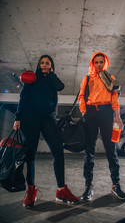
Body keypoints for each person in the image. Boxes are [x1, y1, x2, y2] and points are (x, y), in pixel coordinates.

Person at [13, 55, 79, 207]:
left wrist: (52, 74)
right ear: (38, 65)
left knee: (58, 151)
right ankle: (31, 191)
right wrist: (18, 118)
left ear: (51, 66)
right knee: (30, 155)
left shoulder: (51, 79)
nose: (44, 65)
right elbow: (23, 98)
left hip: (48, 119)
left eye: (47, 63)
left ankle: (61, 190)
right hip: (30, 119)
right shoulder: (32, 79)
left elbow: (60, 87)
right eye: (41, 63)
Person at [78, 52, 125, 201]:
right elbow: (81, 96)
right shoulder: (86, 79)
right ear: (93, 63)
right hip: (91, 113)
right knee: (89, 150)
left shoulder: (110, 78)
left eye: (101, 62)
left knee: (111, 149)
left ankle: (116, 185)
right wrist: (84, 112)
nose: (99, 65)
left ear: (105, 63)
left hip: (107, 113)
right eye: (96, 62)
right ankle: (88, 186)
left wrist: (117, 117)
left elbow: (114, 98)